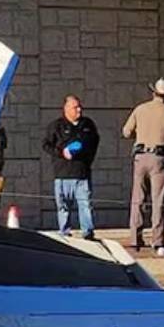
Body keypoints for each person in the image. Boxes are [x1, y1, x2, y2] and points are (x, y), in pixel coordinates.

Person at [123, 79, 164, 257]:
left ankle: (135, 239)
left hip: (140, 157)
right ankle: (158, 240)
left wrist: (142, 134)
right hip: (159, 159)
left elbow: (126, 132)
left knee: (138, 198)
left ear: (153, 92)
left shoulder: (140, 109)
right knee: (158, 201)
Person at [41, 95, 100, 238]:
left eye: (80, 107)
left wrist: (86, 158)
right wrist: (62, 152)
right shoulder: (56, 126)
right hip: (62, 174)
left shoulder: (87, 125)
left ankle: (88, 233)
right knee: (63, 207)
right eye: (75, 107)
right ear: (66, 109)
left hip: (81, 174)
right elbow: (46, 145)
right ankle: (65, 232)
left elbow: (94, 142)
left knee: (85, 205)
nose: (79, 110)